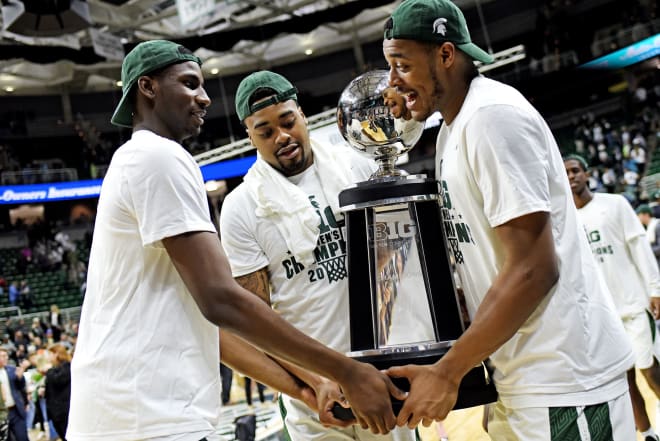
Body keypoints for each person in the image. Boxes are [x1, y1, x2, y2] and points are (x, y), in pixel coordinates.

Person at [67, 40, 402, 441]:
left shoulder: (143, 160)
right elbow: (222, 302)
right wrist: (344, 371)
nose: (205, 98)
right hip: (145, 411)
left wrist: (308, 389)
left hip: (143, 410)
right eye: (190, 84)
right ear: (148, 87)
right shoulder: (158, 159)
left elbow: (217, 326)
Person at [380, 1, 636, 439]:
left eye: (401, 66)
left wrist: (450, 371)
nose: (391, 82)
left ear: (445, 55)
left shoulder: (491, 118)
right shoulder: (452, 130)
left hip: (564, 378)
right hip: (523, 376)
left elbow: (535, 268)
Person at [219, 70, 419, 441]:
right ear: (250, 137)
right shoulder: (241, 208)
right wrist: (315, 382)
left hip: (383, 376)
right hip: (317, 398)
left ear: (303, 115)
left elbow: (400, 263)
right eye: (264, 132)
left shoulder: (358, 165)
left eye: (287, 121)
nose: (281, 137)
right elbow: (254, 322)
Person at [565, 154, 660, 441]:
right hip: (602, 317)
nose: (571, 177)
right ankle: (648, 433)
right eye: (565, 172)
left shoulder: (615, 204)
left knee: (650, 371)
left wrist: (655, 289)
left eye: (575, 170)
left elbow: (640, 248)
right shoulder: (566, 219)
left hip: (633, 305)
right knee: (625, 382)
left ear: (587, 173)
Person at [44, 344, 71, 441]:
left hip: (64, 411)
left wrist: (48, 371)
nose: (48, 357)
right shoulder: (55, 369)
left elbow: (58, 380)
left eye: (50, 354)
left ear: (56, 354)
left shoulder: (67, 366)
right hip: (56, 412)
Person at [0, 348, 28, 441]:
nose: (6, 358)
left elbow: (21, 387)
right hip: (1, 414)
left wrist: (20, 377)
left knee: (22, 437)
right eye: (3, 356)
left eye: (6, 356)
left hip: (15, 410)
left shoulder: (12, 369)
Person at [637, 203, 660, 269]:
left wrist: (645, 251)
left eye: (639, 215)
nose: (637, 217)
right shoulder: (648, 228)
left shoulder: (657, 226)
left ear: (646, 215)